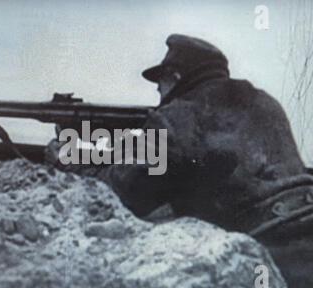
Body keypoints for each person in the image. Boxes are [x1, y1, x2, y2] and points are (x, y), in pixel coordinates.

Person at [47, 34, 313, 241]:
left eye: (159, 84)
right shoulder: (265, 102)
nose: (159, 93)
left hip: (267, 244)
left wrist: (68, 159)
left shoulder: (176, 117)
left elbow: (124, 192)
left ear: (174, 76)